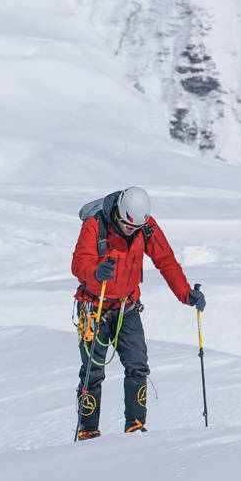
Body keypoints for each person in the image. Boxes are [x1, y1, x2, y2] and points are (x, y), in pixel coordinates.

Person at [70, 186, 205, 440]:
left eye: (136, 228)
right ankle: (88, 431)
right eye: (127, 226)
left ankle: (135, 426)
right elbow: (79, 263)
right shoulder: (95, 224)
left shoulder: (146, 226)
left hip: (127, 306)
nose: (132, 231)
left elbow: (165, 260)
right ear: (118, 215)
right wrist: (96, 272)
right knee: (92, 370)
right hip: (94, 306)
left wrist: (186, 294)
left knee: (137, 366)